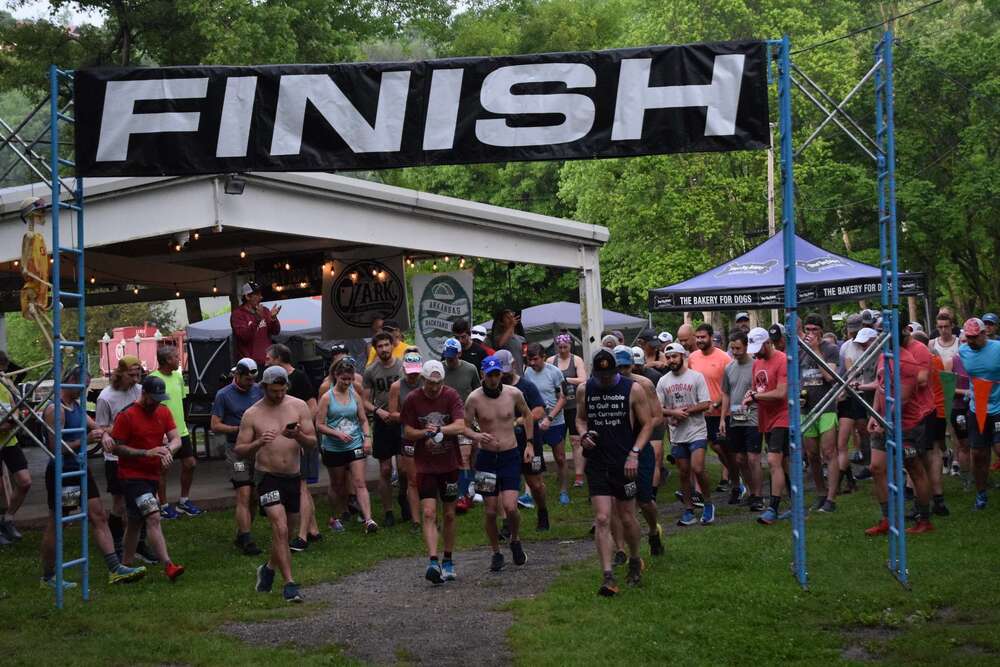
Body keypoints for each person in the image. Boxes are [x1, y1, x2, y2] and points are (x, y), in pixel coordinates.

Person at [41, 377, 146, 589]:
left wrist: (114, 432)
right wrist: (87, 440)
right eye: (83, 383)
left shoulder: (76, 406)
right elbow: (56, 449)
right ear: (70, 380)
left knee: (98, 515)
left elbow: (99, 427)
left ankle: (115, 568)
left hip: (80, 469)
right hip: (63, 472)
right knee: (59, 522)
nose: (85, 388)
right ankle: (49, 576)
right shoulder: (56, 410)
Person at [235, 365, 317, 603]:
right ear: (264, 388)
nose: (278, 395)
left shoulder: (298, 406)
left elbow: (312, 443)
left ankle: (269, 568)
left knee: (286, 532)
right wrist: (259, 443)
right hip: (267, 476)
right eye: (273, 392)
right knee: (279, 529)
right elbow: (239, 450)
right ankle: (290, 584)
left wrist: (298, 436)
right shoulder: (252, 413)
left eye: (282, 391)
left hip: (292, 475)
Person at [575, 349, 653, 596]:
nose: (605, 380)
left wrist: (635, 453)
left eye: (609, 375)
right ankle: (607, 576)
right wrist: (584, 435)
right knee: (601, 518)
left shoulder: (633, 389)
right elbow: (580, 419)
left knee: (628, 516)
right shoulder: (584, 390)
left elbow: (648, 423)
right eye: (601, 375)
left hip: (623, 461)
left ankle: (634, 559)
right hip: (597, 461)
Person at [111, 375, 185, 581]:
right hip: (132, 477)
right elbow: (116, 447)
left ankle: (124, 566)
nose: (157, 403)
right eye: (153, 399)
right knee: (153, 515)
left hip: (152, 475)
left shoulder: (163, 411)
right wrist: (146, 453)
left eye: (160, 399)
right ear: (143, 394)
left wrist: (167, 450)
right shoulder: (127, 415)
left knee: (135, 522)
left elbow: (176, 438)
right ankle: (169, 565)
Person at [465, 355, 534, 571]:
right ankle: (495, 552)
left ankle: (515, 539)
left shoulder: (513, 393)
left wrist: (529, 444)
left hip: (510, 455)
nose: (494, 379)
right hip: (486, 459)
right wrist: (476, 437)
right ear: (483, 375)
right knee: (490, 511)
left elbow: (528, 414)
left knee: (511, 506)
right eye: (490, 375)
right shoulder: (474, 399)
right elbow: (464, 426)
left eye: (497, 374)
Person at [401, 360, 466, 584]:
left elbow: (460, 425)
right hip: (425, 465)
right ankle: (432, 560)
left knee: (449, 514)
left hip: (449, 463)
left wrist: (439, 430)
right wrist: (424, 434)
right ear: (423, 380)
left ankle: (448, 559)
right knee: (428, 512)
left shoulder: (451, 396)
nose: (434, 387)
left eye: (438, 383)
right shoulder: (412, 400)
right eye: (430, 383)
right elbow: (408, 430)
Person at [865, 319, 930, 535]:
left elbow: (902, 399)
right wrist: (875, 414)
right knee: (876, 467)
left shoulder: (908, 362)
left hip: (907, 425)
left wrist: (885, 420)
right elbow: (880, 387)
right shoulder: (884, 355)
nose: (881, 335)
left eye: (885, 332)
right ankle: (887, 519)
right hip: (883, 420)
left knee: (914, 468)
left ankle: (924, 519)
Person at [96, 355, 157, 563]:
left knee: (143, 502)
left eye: (138, 374)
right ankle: (117, 542)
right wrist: (113, 431)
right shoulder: (106, 397)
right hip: (115, 457)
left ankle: (139, 544)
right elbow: (100, 427)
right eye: (131, 374)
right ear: (119, 373)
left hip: (139, 455)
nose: (135, 379)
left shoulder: (140, 391)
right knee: (119, 503)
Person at [264, 343, 321, 550]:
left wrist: (301, 432)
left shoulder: (299, 377)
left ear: (279, 358)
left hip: (300, 441)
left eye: (269, 358)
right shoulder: (268, 387)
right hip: (282, 447)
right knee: (302, 488)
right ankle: (313, 529)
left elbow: (312, 406)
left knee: (302, 487)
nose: (266, 361)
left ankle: (302, 536)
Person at [656, 343, 715, 527]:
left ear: (682, 356)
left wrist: (685, 411)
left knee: (698, 468)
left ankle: (708, 503)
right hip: (677, 434)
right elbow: (658, 409)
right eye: (668, 357)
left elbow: (706, 403)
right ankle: (689, 509)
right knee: (683, 472)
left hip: (697, 430)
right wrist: (673, 413)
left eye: (674, 356)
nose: (671, 360)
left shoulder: (696, 377)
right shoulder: (663, 381)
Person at [211, 358, 265, 555]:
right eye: (247, 380)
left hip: (257, 449)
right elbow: (215, 425)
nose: (251, 383)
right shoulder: (223, 395)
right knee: (244, 492)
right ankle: (248, 540)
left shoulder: (259, 390)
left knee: (254, 497)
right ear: (237, 375)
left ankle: (242, 533)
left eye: (253, 380)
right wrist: (238, 429)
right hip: (236, 450)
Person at [318, 357, 377, 533]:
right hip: (334, 446)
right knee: (337, 484)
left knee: (359, 482)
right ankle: (334, 516)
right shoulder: (327, 397)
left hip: (355, 443)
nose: (347, 383)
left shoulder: (355, 395)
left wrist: (367, 438)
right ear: (336, 376)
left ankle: (368, 519)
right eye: (344, 379)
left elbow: (363, 419)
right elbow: (319, 424)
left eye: (350, 379)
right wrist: (336, 433)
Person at [617, 346, 665, 556]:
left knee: (644, 500)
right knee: (620, 503)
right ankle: (623, 550)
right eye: (617, 368)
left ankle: (654, 530)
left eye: (626, 367)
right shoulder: (607, 385)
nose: (622, 372)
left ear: (633, 365)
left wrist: (641, 426)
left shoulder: (644, 384)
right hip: (617, 448)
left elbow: (658, 416)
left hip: (641, 445)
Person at [496, 349, 549, 530]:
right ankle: (506, 523)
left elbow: (540, 410)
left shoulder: (526, 386)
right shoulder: (494, 388)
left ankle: (542, 511)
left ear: (513, 365)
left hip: (529, 440)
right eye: (499, 372)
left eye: (505, 370)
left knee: (535, 483)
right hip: (504, 443)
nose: (503, 375)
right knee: (504, 484)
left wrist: (519, 421)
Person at [148, 345, 202, 519]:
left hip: (181, 431)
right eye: (176, 357)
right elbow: (149, 407)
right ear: (167, 360)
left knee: (190, 464)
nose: (179, 359)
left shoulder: (178, 377)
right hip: (161, 434)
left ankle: (184, 501)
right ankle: (163, 505)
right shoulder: (152, 379)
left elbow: (182, 402)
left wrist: (183, 424)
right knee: (163, 469)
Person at [744, 327, 790, 525]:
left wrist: (755, 396)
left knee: (772, 460)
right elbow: (757, 388)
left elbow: (780, 393)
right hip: (766, 417)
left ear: (767, 342)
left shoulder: (782, 360)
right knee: (782, 463)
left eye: (757, 347)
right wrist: (750, 396)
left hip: (783, 416)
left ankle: (773, 507)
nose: (755, 352)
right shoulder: (757, 363)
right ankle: (794, 504)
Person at [799, 314, 842, 512]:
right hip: (806, 408)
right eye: (807, 330)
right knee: (812, 454)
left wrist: (816, 350)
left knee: (829, 452)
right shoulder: (799, 350)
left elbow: (829, 376)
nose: (810, 334)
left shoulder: (830, 349)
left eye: (814, 330)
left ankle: (831, 499)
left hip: (826, 408)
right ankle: (820, 492)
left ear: (821, 331)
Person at [688, 323, 735, 497]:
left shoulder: (724, 359)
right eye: (697, 337)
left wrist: (716, 404)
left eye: (703, 337)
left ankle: (734, 475)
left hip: (720, 412)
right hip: (700, 413)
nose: (699, 340)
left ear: (711, 338)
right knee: (696, 449)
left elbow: (729, 389)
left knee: (722, 449)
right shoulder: (692, 358)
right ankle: (697, 492)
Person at [958, 317, 1000, 511]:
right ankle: (981, 495)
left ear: (985, 334)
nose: (971, 341)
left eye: (975, 337)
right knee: (978, 454)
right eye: (968, 337)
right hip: (978, 408)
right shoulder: (963, 351)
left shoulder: (997, 348)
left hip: (999, 408)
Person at [719, 330, 764, 511]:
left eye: (738, 348)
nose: (735, 352)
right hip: (736, 418)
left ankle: (759, 496)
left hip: (753, 417)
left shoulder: (756, 365)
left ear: (746, 346)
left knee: (753, 458)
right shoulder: (729, 368)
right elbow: (726, 394)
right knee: (739, 459)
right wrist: (723, 418)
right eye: (732, 348)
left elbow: (762, 390)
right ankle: (751, 491)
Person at [363, 331, 404, 526]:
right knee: (385, 469)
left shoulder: (403, 365)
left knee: (405, 468)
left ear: (393, 345)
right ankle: (388, 511)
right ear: (375, 349)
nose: (384, 349)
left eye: (387, 345)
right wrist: (378, 411)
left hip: (403, 420)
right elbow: (365, 401)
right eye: (380, 346)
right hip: (382, 422)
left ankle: (405, 501)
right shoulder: (371, 371)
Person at [524, 342, 569, 505]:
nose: (532, 363)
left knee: (560, 457)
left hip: (555, 421)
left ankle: (563, 490)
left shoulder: (555, 372)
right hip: (536, 422)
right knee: (532, 457)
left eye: (535, 359)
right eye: (529, 359)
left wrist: (550, 418)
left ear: (543, 357)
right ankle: (529, 492)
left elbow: (564, 397)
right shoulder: (527, 372)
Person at [440, 337, 481, 512]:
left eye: (452, 356)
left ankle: (466, 491)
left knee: (469, 456)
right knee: (454, 457)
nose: (449, 360)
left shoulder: (470, 369)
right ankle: (460, 493)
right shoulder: (440, 369)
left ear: (459, 353)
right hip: (445, 420)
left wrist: (478, 419)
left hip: (466, 418)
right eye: (447, 356)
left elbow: (477, 391)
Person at [388, 350, 424, 529]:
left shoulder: (426, 383)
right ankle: (415, 520)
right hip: (408, 434)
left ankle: (429, 513)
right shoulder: (396, 386)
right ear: (404, 369)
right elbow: (392, 413)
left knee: (428, 476)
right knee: (411, 477)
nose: (413, 375)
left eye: (416, 371)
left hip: (427, 435)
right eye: (410, 371)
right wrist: (409, 416)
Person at [548, 334, 587, 488]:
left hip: (573, 405)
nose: (563, 350)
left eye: (565, 347)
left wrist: (564, 379)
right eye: (560, 347)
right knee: (558, 443)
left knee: (576, 441)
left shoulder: (576, 360)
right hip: (557, 406)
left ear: (570, 346)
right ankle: (561, 472)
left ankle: (579, 475)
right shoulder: (551, 361)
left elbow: (583, 379)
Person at [0, 369, 30, 544]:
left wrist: (13, 421)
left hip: (10, 440)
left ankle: (8, 519)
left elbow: (16, 407)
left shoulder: (4, 385)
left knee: (24, 481)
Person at [230, 281, 281, 369]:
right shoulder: (238, 314)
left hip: (268, 361)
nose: (261, 297)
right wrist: (257, 318)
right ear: (247, 296)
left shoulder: (264, 310)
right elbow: (244, 336)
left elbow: (276, 331)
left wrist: (273, 318)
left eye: (260, 294)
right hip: (249, 365)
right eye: (257, 295)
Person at [491, 308, 526, 375]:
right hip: (505, 375)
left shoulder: (521, 339)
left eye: (512, 316)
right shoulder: (498, 338)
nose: (511, 319)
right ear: (501, 322)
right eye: (507, 317)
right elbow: (500, 344)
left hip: (519, 375)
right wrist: (512, 325)